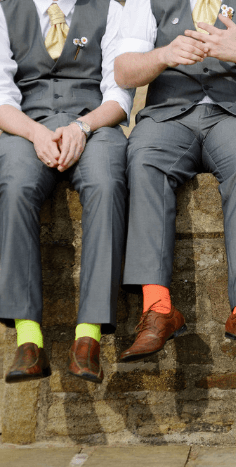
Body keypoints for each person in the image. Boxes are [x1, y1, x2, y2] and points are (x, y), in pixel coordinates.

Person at [114, 0, 236, 362]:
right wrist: (164, 55)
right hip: (168, 116)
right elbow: (123, 71)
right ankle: (158, 308)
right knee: (144, 156)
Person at [0, 0, 132, 383]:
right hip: (26, 124)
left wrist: (82, 128)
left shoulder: (110, 9)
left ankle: (87, 338)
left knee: (107, 183)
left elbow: (119, 96)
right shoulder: (6, 9)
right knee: (15, 184)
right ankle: (28, 340)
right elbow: (2, 94)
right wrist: (34, 132)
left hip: (94, 125)